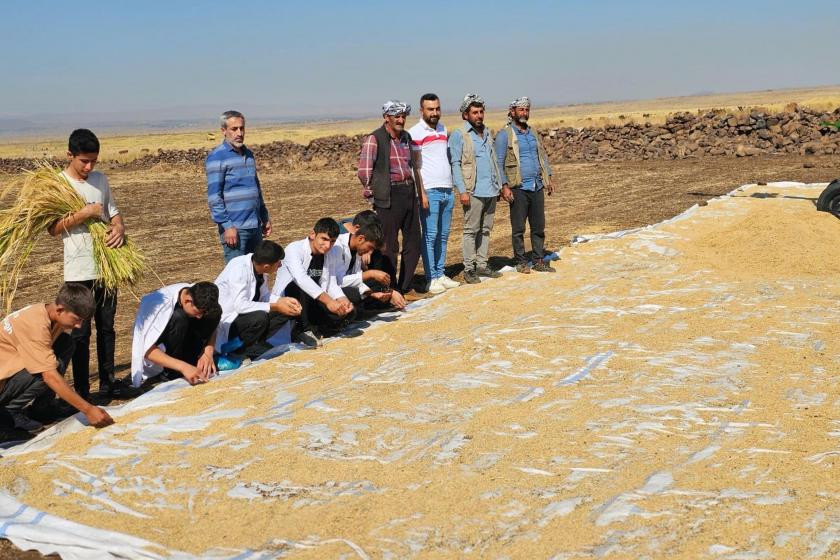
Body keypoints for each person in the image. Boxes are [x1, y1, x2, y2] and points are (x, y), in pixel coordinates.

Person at [47, 128, 134, 399]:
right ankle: (83, 390)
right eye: (84, 161)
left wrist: (118, 228)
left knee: (106, 327)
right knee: (79, 333)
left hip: (107, 267)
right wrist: (84, 213)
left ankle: (108, 383)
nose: (89, 167)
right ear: (70, 155)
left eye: (93, 161)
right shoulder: (58, 185)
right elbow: (53, 228)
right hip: (78, 270)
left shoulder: (100, 180)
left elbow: (114, 215)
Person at [0, 284, 113, 437]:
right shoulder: (35, 326)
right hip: (3, 383)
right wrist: (87, 410)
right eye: (77, 319)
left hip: (12, 371)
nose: (79, 325)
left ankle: (42, 408)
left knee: (66, 343)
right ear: (60, 309)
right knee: (47, 371)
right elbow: (49, 376)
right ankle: (9, 412)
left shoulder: (47, 312)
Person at [357, 101, 425, 297]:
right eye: (396, 116)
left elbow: (414, 166)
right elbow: (364, 172)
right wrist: (373, 194)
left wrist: (419, 193)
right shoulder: (374, 139)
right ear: (386, 117)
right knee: (388, 245)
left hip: (408, 192)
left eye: (403, 116)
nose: (401, 120)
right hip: (388, 196)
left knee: (413, 242)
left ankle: (404, 286)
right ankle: (389, 287)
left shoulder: (407, 138)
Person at [495, 97, 555, 273]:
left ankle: (538, 260)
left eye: (526, 110)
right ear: (512, 111)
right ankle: (521, 261)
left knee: (538, 226)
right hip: (518, 187)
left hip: (536, 185)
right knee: (519, 228)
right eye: (520, 110)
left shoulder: (532, 133)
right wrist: (504, 186)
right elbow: (498, 163)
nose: (524, 113)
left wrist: (548, 178)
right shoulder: (504, 135)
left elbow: (542, 156)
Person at [272, 218, 354, 347]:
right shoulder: (294, 249)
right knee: (300, 286)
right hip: (293, 299)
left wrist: (341, 298)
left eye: (332, 242)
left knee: (349, 310)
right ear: (312, 234)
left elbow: (330, 281)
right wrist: (329, 301)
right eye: (324, 239)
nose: (327, 246)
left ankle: (318, 327)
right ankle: (302, 329)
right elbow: (301, 279)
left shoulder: (330, 252)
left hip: (316, 298)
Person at [449, 94, 503, 284]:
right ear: (466, 115)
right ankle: (469, 268)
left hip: (490, 189)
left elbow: (494, 160)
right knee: (471, 230)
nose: (479, 115)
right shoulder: (459, 135)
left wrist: (498, 185)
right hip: (472, 191)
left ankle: (482, 264)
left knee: (486, 229)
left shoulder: (486, 133)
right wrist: (462, 190)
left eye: (481, 112)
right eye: (474, 112)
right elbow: (455, 164)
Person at [214, 240, 301, 360]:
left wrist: (282, 301)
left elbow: (263, 296)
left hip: (244, 317)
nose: (280, 265)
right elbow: (240, 305)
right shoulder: (239, 269)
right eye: (278, 263)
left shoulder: (259, 269)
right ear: (267, 266)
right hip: (227, 322)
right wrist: (275, 306)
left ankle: (255, 343)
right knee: (259, 318)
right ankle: (237, 349)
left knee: (285, 310)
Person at [408, 94, 459, 294]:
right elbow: (415, 166)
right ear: (422, 110)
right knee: (430, 235)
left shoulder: (443, 129)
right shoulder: (415, 132)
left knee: (444, 235)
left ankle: (440, 273)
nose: (434, 112)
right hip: (429, 189)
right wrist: (422, 193)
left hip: (447, 188)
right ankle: (431, 278)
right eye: (430, 109)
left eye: (437, 108)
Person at [206, 110, 272, 263]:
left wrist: (264, 217)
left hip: (254, 227)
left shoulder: (248, 154)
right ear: (224, 131)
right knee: (237, 278)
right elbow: (214, 197)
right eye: (234, 129)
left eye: (242, 128)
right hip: (235, 229)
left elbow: (256, 189)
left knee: (257, 275)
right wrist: (227, 226)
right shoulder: (217, 157)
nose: (239, 133)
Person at [130, 282, 223, 388]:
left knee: (214, 313)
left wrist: (208, 351)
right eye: (197, 312)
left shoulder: (198, 294)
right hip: (163, 353)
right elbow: (146, 350)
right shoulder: (159, 304)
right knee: (179, 317)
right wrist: (183, 367)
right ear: (188, 300)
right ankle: (170, 372)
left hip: (187, 343)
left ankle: (193, 362)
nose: (199, 317)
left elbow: (213, 325)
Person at [335, 210, 407, 312]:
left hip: (349, 284)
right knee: (354, 295)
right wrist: (369, 274)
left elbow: (355, 277)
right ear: (360, 237)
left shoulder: (357, 248)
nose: (370, 252)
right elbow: (336, 282)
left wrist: (374, 293)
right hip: (331, 290)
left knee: (377, 283)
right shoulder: (337, 245)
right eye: (369, 248)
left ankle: (387, 296)